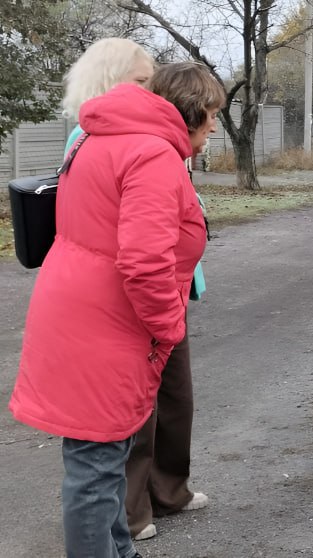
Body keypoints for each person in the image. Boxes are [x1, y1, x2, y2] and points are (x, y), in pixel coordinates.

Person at [9, 61, 225, 558]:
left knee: (103, 456)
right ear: (190, 111)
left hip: (79, 310)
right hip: (106, 324)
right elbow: (145, 262)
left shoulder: (100, 137)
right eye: (212, 113)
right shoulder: (152, 154)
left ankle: (119, 549)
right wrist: (168, 326)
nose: (215, 125)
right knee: (94, 466)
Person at [61, 39, 211, 542]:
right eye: (145, 79)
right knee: (104, 451)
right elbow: (141, 256)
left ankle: (162, 498)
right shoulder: (128, 146)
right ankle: (132, 513)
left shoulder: (143, 142)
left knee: (165, 408)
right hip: (125, 313)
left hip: (144, 301)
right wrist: (165, 323)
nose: (155, 89)